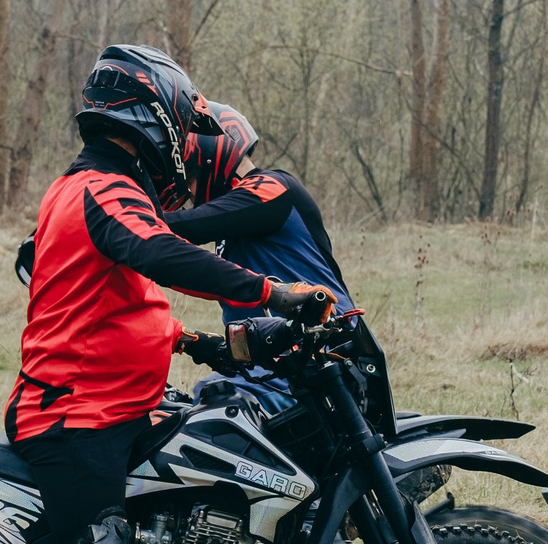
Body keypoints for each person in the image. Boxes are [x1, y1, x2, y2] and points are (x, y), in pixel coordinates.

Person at [0, 45, 331, 544]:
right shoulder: (102, 189)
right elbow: (164, 257)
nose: (185, 143)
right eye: (179, 125)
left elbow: (127, 307)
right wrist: (273, 292)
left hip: (116, 410)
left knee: (169, 537)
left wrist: (217, 346)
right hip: (70, 416)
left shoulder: (111, 189)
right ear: (150, 117)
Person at [162, 104, 395, 427]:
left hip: (324, 359)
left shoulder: (273, 187)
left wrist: (124, 224)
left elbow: (182, 228)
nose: (187, 192)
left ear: (209, 157)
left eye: (188, 177)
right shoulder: (231, 231)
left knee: (215, 416)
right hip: (275, 369)